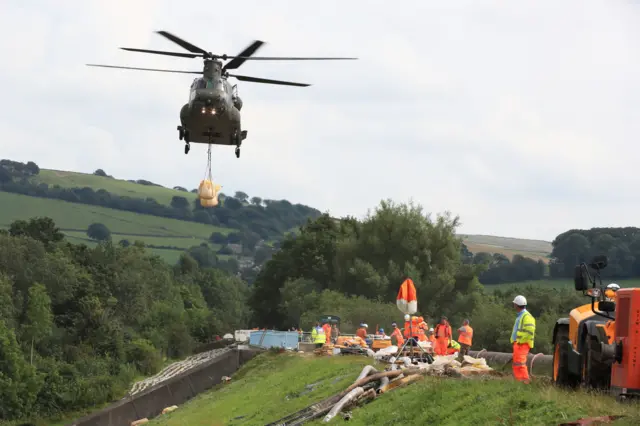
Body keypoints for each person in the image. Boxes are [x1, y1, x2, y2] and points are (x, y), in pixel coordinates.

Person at [511, 295, 536, 384]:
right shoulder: (521, 316)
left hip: (522, 344)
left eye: (514, 304)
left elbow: (530, 331)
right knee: (517, 363)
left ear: (517, 305)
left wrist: (521, 341)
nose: (513, 305)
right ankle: (519, 381)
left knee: (520, 363)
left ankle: (525, 380)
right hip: (518, 344)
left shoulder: (526, 316)